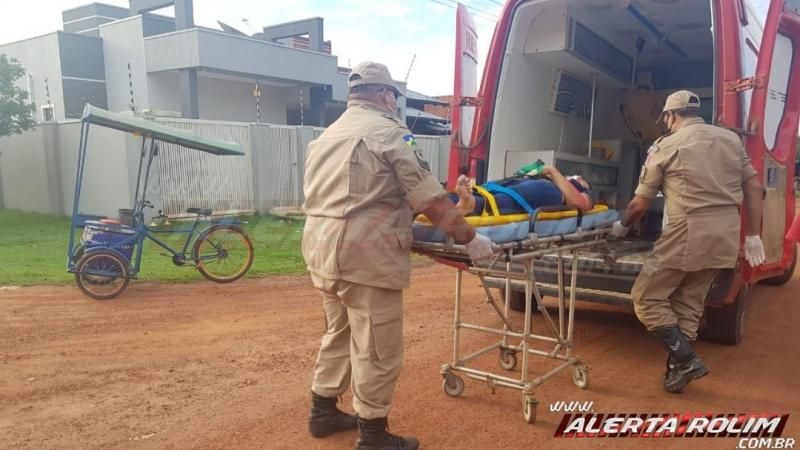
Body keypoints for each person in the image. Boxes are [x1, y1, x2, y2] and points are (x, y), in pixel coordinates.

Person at [302, 62, 494, 450]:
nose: (395, 104)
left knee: (338, 332)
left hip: (321, 250)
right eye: (394, 98)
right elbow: (431, 203)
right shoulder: (392, 134)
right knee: (377, 345)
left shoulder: (325, 136)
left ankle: (323, 411)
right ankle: (373, 436)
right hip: (366, 256)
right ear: (386, 96)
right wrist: (472, 240)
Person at [610, 90, 766, 393]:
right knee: (689, 306)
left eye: (665, 118)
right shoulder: (731, 141)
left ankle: (687, 358)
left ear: (671, 116)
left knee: (646, 298)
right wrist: (754, 236)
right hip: (724, 236)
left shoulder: (665, 145)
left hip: (686, 233)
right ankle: (676, 373)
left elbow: (640, 205)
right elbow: (755, 188)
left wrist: (622, 226)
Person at [448, 165, 593, 217]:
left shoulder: (583, 191)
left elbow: (580, 204)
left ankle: (472, 204)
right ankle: (448, 201)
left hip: (549, 191)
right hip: (524, 180)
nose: (579, 177)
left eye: (581, 179)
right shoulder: (554, 177)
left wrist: (552, 171)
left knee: (515, 195)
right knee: (489, 189)